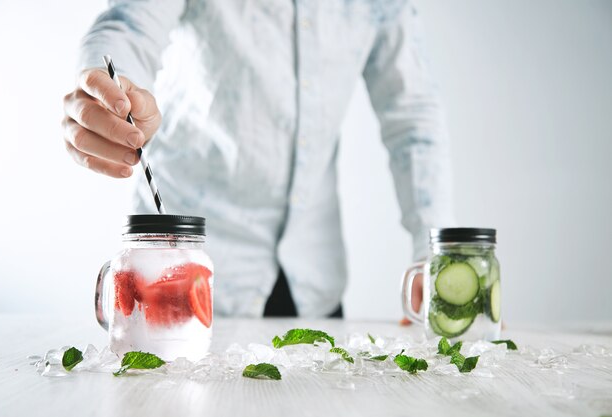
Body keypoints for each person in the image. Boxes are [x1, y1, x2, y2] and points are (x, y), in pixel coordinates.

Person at [62, 0, 454, 319]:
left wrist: (435, 250)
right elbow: (128, 25)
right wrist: (105, 89)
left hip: (313, 283)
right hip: (183, 274)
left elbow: (412, 115)